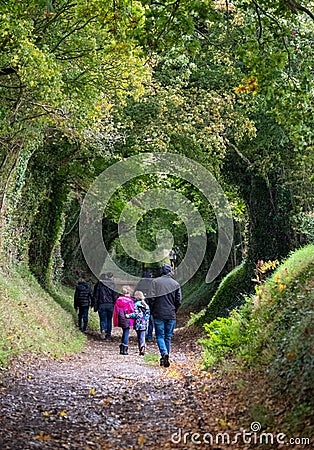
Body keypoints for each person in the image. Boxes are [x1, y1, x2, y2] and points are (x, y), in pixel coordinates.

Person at [150, 264, 182, 367]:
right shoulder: (176, 284)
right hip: (171, 314)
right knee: (168, 337)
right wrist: (174, 310)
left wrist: (152, 309)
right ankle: (165, 357)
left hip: (158, 313)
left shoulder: (155, 282)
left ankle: (164, 354)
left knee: (160, 336)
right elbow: (178, 301)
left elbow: (151, 298)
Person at [93, 272, 117, 340]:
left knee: (102, 319)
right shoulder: (112, 284)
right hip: (110, 304)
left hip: (101, 304)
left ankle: (103, 329)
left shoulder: (99, 285)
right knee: (109, 320)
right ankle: (108, 335)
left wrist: (95, 305)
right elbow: (114, 295)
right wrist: (115, 304)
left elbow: (96, 296)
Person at [126, 291, 150, 356]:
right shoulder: (146, 305)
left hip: (138, 323)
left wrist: (129, 316)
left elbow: (136, 314)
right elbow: (148, 315)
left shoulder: (136, 304)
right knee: (143, 336)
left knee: (139, 336)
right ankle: (142, 346)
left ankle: (141, 347)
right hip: (145, 323)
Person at [113, 285, 134, 355]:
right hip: (127, 317)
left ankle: (122, 347)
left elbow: (116, 310)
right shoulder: (130, 301)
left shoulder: (118, 300)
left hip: (120, 317)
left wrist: (116, 320)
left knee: (124, 331)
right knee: (126, 332)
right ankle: (125, 348)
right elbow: (132, 310)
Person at [135, 269, 154, 341]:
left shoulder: (141, 282)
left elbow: (136, 292)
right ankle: (149, 336)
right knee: (150, 320)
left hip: (141, 303)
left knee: (141, 319)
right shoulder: (153, 282)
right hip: (150, 303)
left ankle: (142, 334)